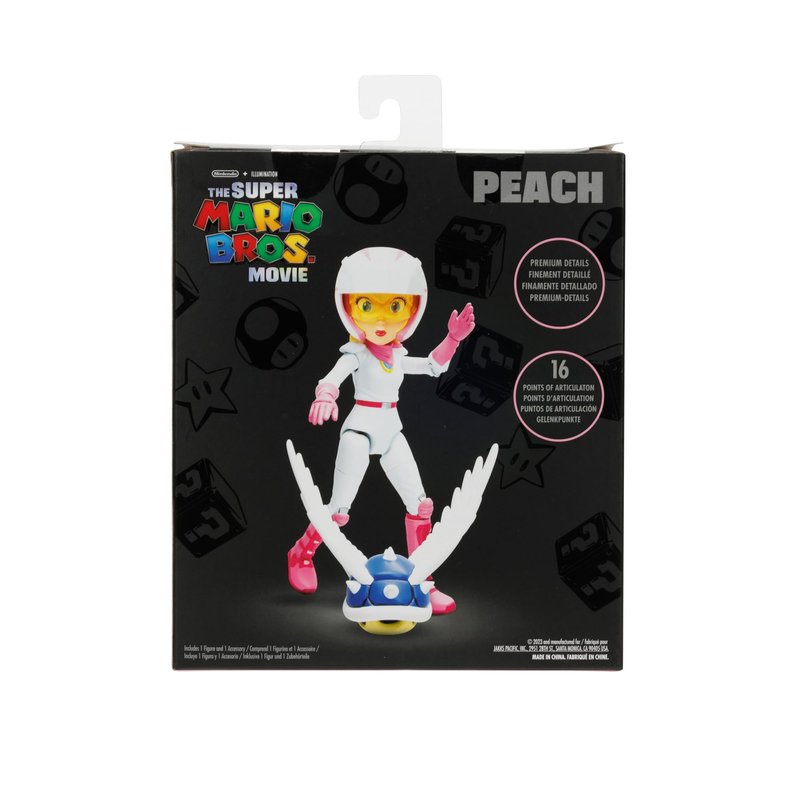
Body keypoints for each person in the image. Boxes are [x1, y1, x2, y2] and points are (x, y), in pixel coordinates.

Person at [287, 247, 475, 614]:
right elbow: (331, 379)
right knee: (338, 511)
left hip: (391, 429)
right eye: (367, 306)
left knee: (421, 506)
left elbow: (433, 367)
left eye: (395, 306)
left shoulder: (398, 356)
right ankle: (301, 552)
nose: (381, 319)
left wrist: (453, 339)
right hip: (359, 429)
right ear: (350, 308)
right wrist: (325, 396)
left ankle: (423, 582)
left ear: (411, 310)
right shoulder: (356, 353)